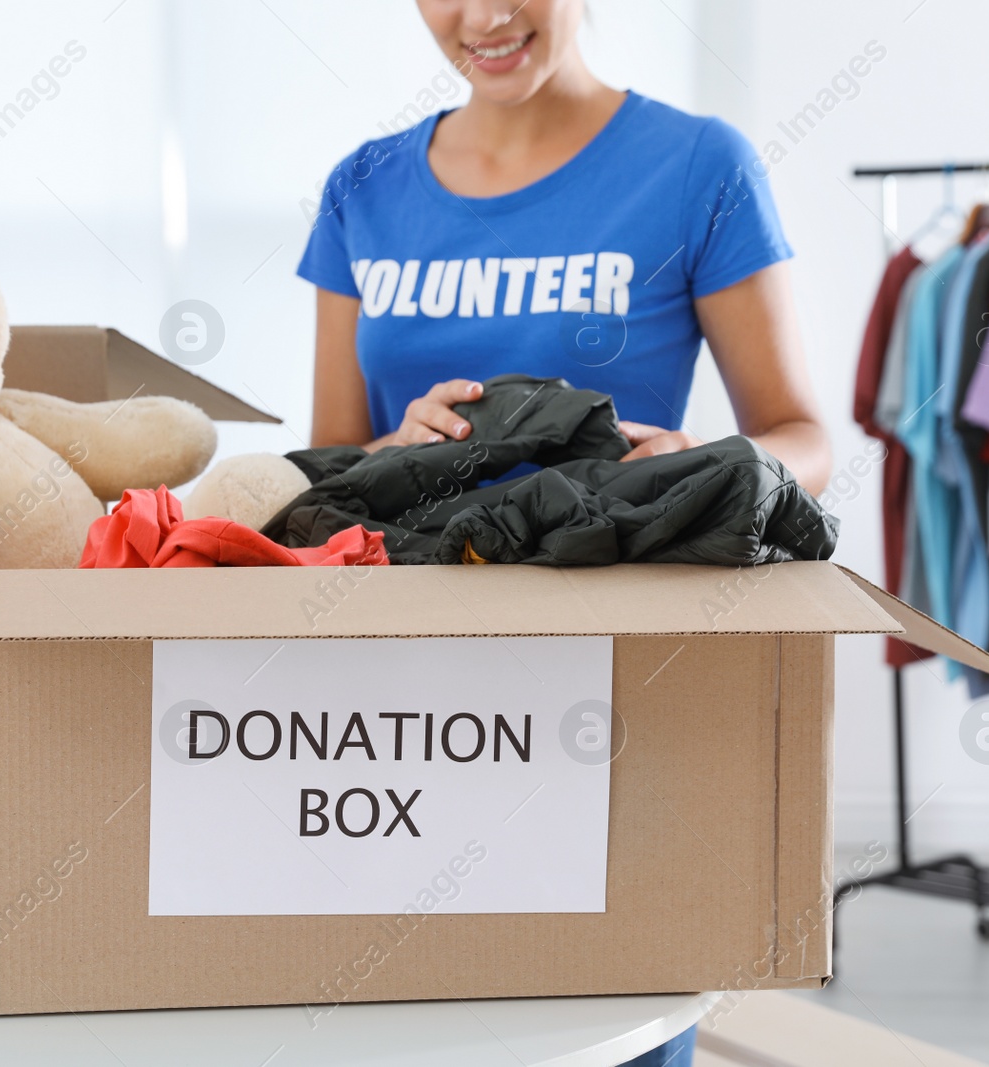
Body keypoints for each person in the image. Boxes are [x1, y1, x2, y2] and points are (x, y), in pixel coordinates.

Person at [298, 2, 831, 1062]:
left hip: (617, 685)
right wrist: (396, 447)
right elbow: (328, 468)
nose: (485, 15)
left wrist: (694, 463)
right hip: (406, 695)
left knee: (610, 1023)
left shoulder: (696, 167)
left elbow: (801, 435)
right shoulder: (362, 188)